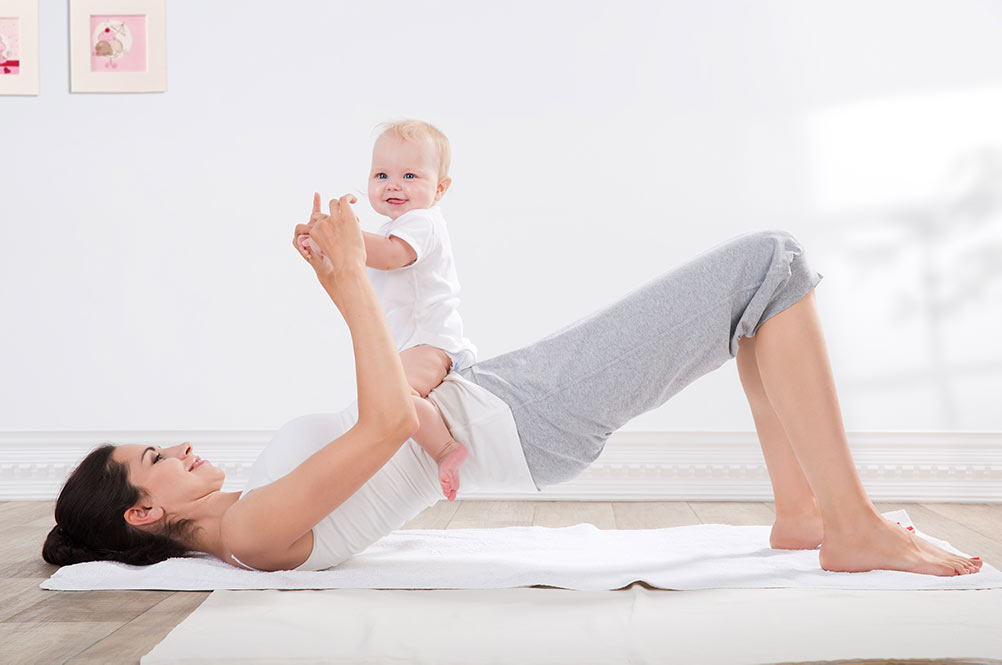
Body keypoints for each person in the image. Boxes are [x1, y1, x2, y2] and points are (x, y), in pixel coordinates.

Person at [43, 193, 983, 577]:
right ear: (141, 514)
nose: (180, 447)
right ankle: (845, 525)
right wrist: (346, 288)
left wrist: (423, 365)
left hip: (499, 391)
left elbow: (403, 392)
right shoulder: (247, 532)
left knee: (759, 296)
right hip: (529, 419)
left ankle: (807, 517)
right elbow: (382, 421)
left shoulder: (255, 492)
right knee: (769, 261)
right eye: (156, 460)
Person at [297, 119, 473, 501]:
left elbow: (391, 255)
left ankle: (446, 449)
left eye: (410, 175)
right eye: (382, 174)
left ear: (440, 188)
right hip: (407, 344)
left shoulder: (422, 223)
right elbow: (357, 273)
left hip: (431, 341)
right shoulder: (394, 227)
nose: (393, 184)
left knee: (396, 396)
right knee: (382, 400)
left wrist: (344, 236)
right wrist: (323, 247)